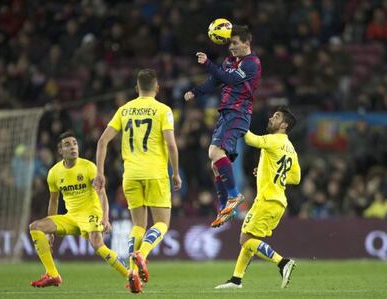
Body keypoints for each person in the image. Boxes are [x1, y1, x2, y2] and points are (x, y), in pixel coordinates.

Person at [94, 69, 182, 293]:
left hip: (131, 175)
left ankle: (133, 273)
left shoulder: (124, 109)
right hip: (155, 173)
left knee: (138, 226)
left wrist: (100, 173)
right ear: (157, 88)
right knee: (161, 223)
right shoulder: (163, 110)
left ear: (136, 89)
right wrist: (176, 172)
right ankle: (142, 254)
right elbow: (171, 145)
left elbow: (103, 141)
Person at [215, 106, 301, 289]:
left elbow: (251, 139)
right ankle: (236, 280)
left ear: (284, 125)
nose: (271, 118)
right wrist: (267, 171)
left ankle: (282, 262)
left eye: (276, 116)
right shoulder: (291, 148)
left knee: (245, 240)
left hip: (267, 200)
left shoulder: (273, 140)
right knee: (250, 239)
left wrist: (238, 119)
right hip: (278, 202)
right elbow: (296, 177)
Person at [184, 25, 261, 228]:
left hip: (239, 113)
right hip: (226, 113)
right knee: (216, 164)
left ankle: (234, 196)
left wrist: (208, 63)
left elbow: (231, 79)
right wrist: (196, 91)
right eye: (230, 43)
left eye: (235, 43)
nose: (231, 47)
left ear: (247, 42)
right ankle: (225, 208)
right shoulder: (229, 61)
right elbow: (215, 80)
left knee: (214, 152)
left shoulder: (252, 63)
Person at [29, 131, 128, 288]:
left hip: (92, 213)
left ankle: (129, 275)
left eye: (74, 143)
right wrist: (49, 232)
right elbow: (53, 201)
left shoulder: (88, 167)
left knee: (97, 244)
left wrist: (105, 218)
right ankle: (53, 274)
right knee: (36, 227)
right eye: (67, 145)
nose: (73, 147)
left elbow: (101, 193)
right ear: (60, 151)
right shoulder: (54, 173)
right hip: (71, 217)